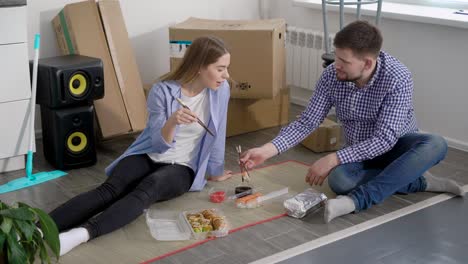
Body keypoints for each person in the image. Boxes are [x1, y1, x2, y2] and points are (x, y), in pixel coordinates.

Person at [240, 21, 465, 223]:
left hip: (397, 146)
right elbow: (307, 122)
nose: (336, 64)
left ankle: (355, 202)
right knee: (340, 181)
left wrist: (333, 157)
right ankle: (419, 181)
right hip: (359, 151)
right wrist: (267, 150)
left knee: (436, 144)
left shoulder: (398, 78)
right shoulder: (331, 76)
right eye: (336, 57)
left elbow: (385, 140)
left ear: (367, 64)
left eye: (344, 61)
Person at [49, 36, 233, 255]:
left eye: (226, 69)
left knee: (148, 188)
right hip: (149, 154)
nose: (226, 75)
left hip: (182, 166)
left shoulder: (221, 91)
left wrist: (214, 170)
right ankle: (40, 228)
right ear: (200, 67)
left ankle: (79, 235)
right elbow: (158, 143)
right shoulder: (161, 90)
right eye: (220, 69)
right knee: (109, 190)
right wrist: (173, 121)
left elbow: (218, 132)